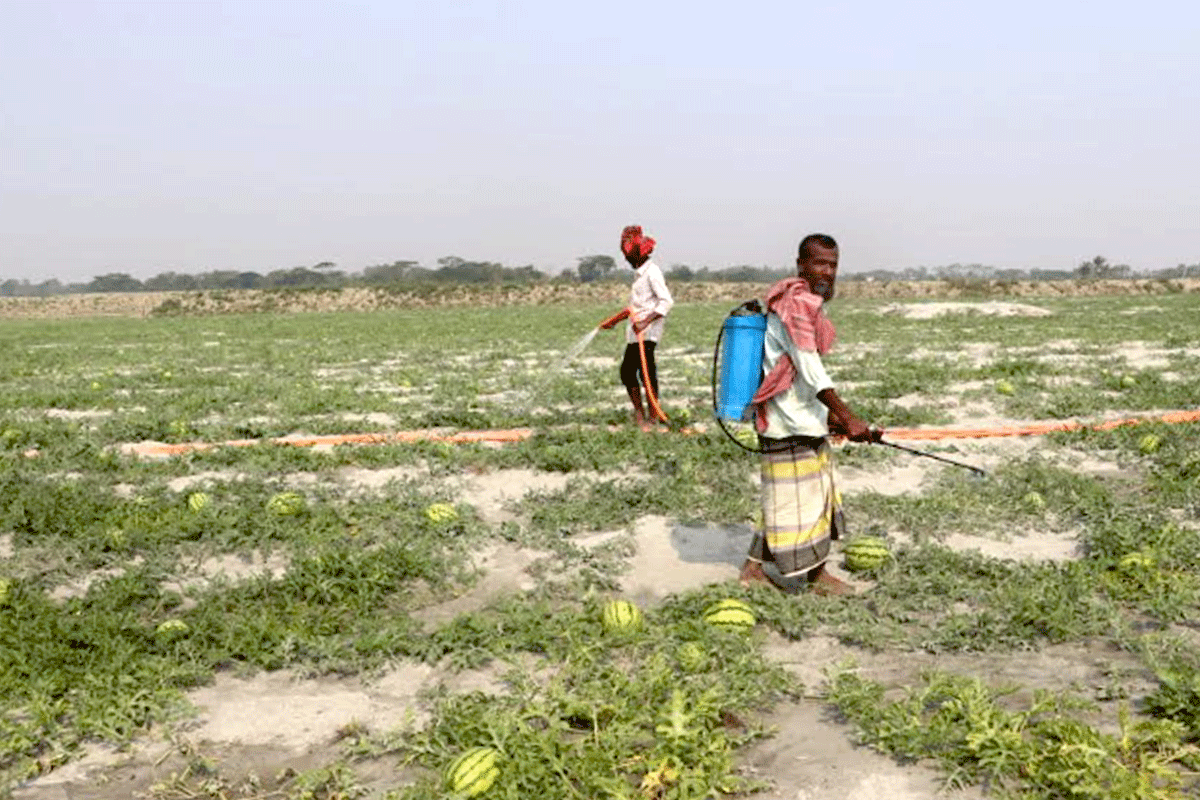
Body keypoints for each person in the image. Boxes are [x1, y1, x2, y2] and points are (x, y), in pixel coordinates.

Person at [739, 233, 881, 596]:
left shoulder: (800, 303)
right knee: (803, 499)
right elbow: (808, 366)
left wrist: (827, 416)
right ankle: (815, 577)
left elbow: (798, 372)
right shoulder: (797, 304)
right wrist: (846, 416)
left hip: (799, 416)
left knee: (787, 496)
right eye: (819, 263)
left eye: (833, 264)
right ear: (801, 264)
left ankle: (753, 569)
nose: (827, 271)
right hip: (787, 423)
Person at [599, 225, 675, 431]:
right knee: (629, 373)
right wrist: (614, 321)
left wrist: (645, 322)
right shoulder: (639, 275)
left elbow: (666, 302)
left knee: (644, 373)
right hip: (636, 333)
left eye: (629, 256)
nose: (626, 259)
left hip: (647, 334)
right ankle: (642, 415)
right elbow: (635, 307)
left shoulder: (652, 272)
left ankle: (651, 417)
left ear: (638, 255)